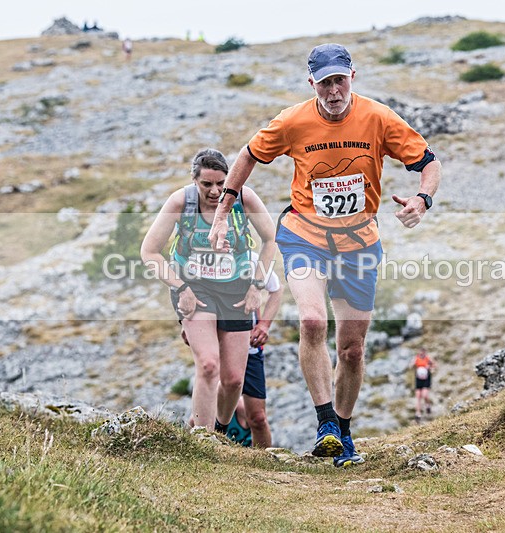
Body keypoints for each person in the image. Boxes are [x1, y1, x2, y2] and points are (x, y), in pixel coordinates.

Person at [208, 43, 442, 467]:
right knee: (313, 320)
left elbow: (430, 163)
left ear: (353, 76)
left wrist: (422, 201)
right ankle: (325, 423)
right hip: (304, 234)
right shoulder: (292, 121)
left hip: (359, 243)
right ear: (311, 83)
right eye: (325, 83)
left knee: (351, 348)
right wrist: (223, 211)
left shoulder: (379, 118)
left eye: (340, 80)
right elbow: (246, 156)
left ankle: (344, 434)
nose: (334, 91)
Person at [141, 148, 277, 433]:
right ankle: (203, 438)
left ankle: (220, 430)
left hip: (237, 290)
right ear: (194, 181)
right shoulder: (181, 202)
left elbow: (270, 239)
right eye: (207, 185)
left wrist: (257, 286)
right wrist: (181, 289)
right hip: (195, 288)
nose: (215, 191)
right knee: (208, 365)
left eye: (221, 183)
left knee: (233, 381)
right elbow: (150, 252)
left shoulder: (244, 198)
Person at [223, 251, 285, 448]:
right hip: (217, 347)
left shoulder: (251, 257)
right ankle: (205, 457)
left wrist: (264, 324)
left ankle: (264, 466)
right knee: (207, 416)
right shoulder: (201, 255)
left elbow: (276, 289)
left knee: (257, 418)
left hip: (250, 349)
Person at [410, 349, 436, 423]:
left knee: (424, 395)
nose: (421, 354)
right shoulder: (416, 358)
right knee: (418, 396)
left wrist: (430, 367)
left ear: (424, 352)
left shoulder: (428, 358)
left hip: (426, 378)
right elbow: (410, 366)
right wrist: (413, 364)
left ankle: (428, 405)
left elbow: (434, 365)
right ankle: (418, 413)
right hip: (418, 379)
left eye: (422, 352)